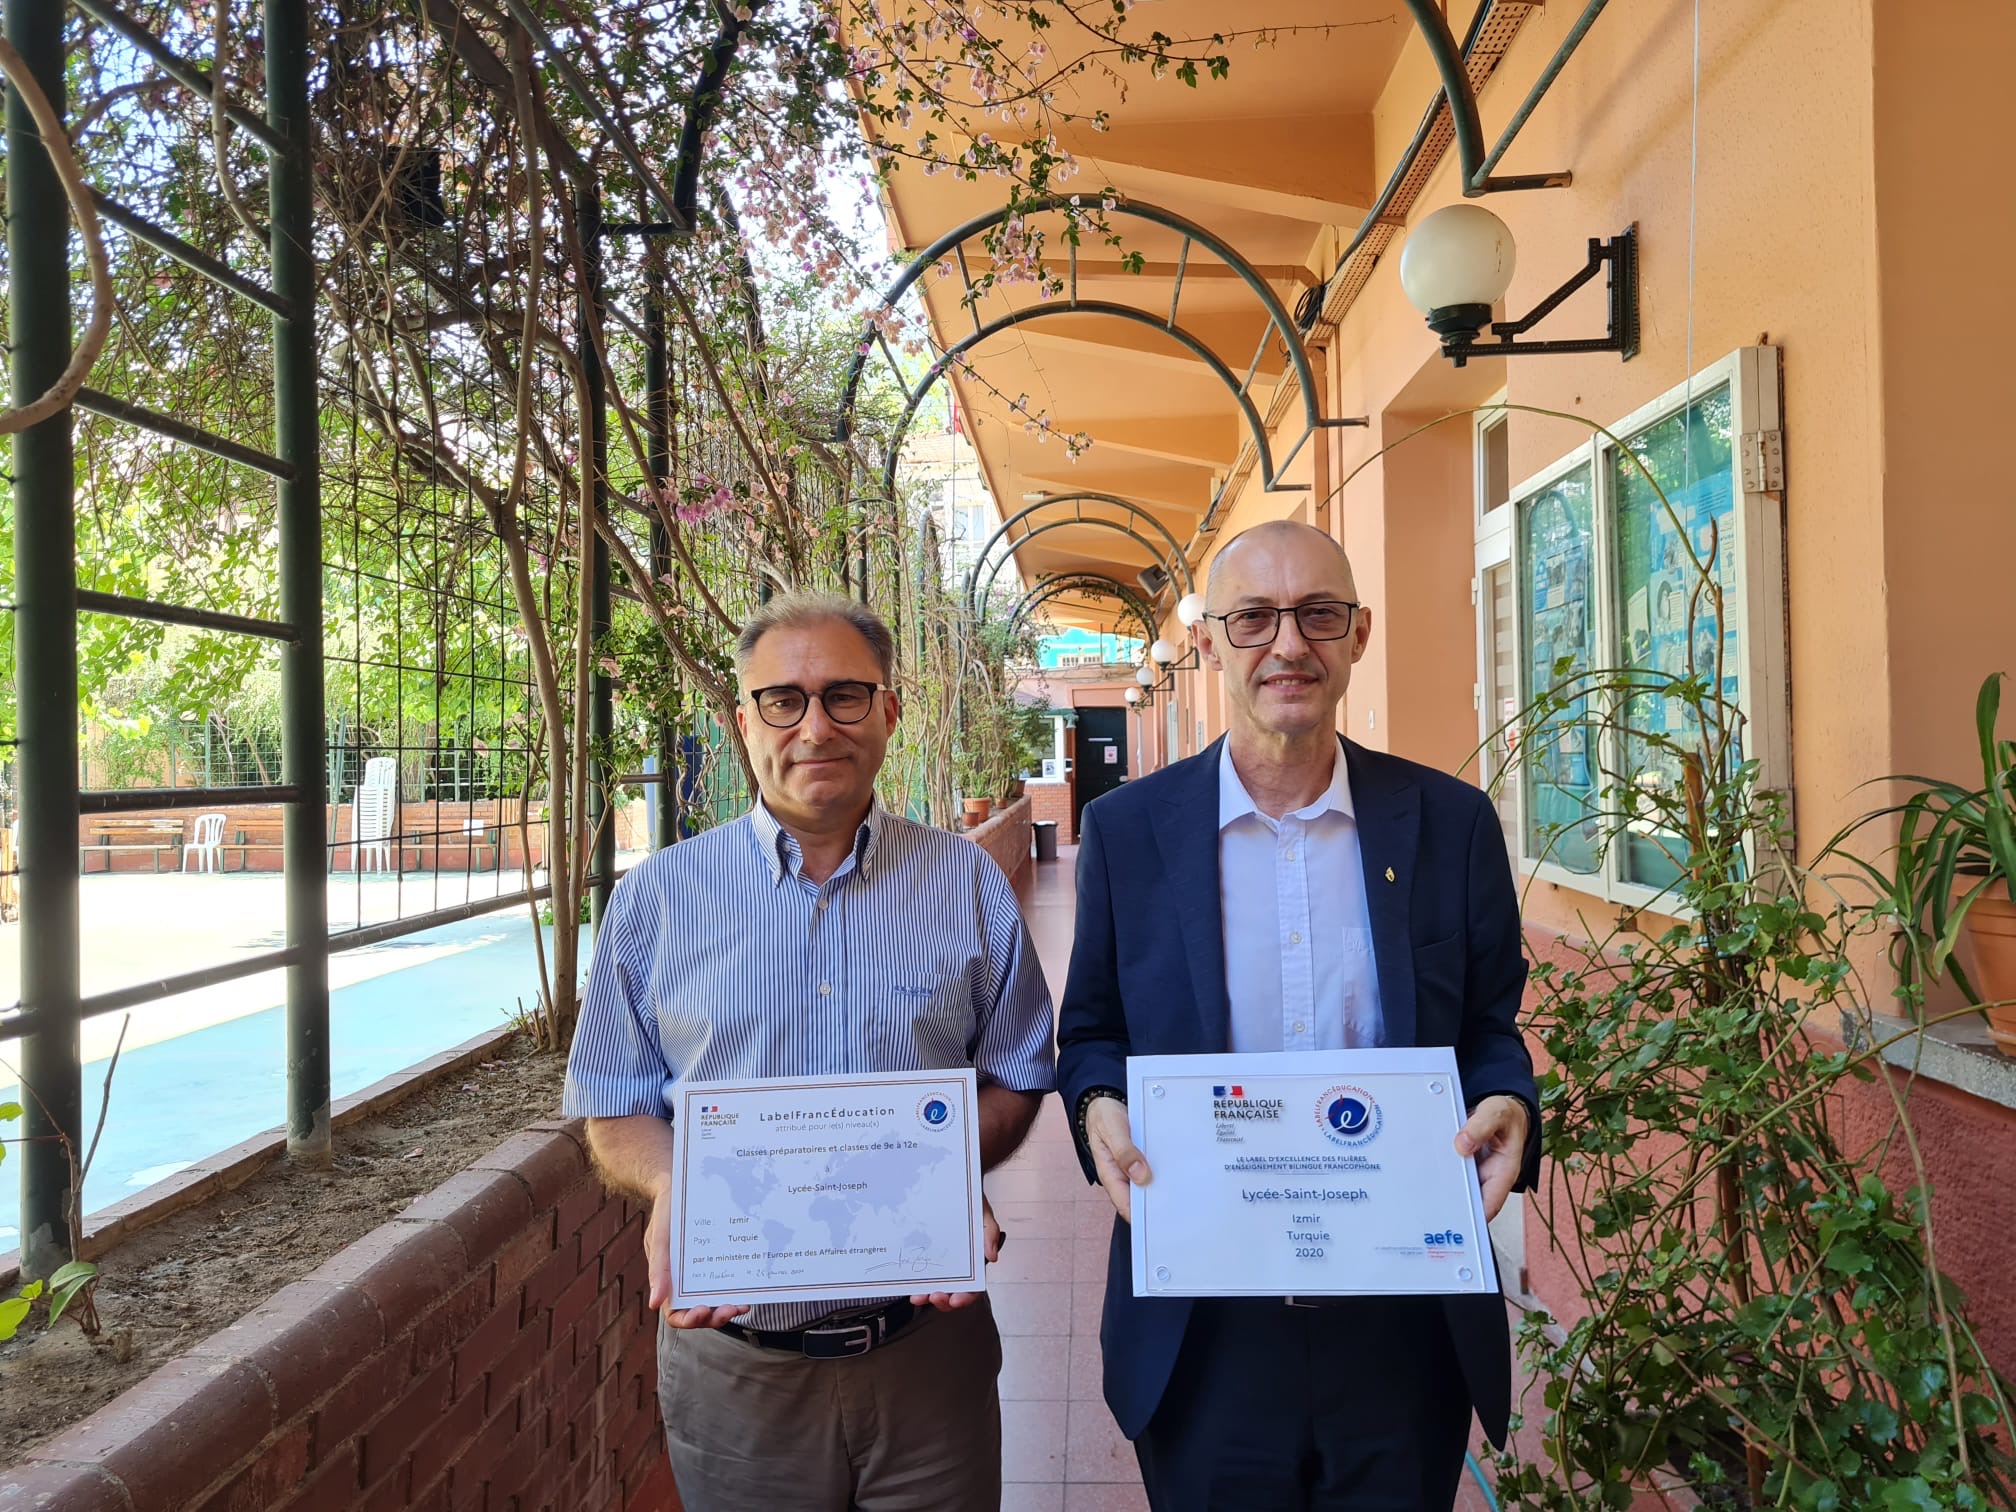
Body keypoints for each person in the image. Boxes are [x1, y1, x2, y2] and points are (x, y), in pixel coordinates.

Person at [1057, 521, 1540, 1511]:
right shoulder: (1128, 831)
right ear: (1210, 643)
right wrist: (1098, 1106)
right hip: (1205, 1321)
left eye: (1319, 614)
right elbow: (1094, 1030)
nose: (1288, 645)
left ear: (1359, 634)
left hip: (1401, 1318)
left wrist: (1511, 1104)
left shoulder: (1450, 825)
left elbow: (1491, 1028)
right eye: (1255, 618)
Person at [563, 591, 1055, 1512]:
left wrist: (946, 1168)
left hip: (928, 1359)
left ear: (890, 712)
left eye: (845, 696)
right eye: (783, 700)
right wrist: (677, 1187)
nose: (816, 726)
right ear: (743, 720)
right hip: (737, 1373)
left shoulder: (966, 884)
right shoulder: (657, 899)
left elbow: (1019, 1074)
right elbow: (614, 1102)